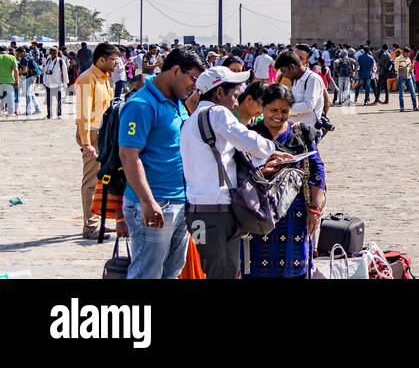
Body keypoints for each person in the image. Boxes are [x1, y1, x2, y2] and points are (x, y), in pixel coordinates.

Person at [181, 66, 289, 279]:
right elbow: (249, 140)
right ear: (219, 93)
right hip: (219, 211)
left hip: (197, 209)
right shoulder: (217, 113)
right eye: (235, 95)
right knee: (224, 273)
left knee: (213, 271)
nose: (237, 102)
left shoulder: (190, 121)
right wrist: (272, 149)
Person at [118, 48, 205, 278]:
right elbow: (128, 156)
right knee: (147, 273)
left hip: (179, 202)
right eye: (192, 79)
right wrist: (147, 201)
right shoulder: (142, 105)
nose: (193, 87)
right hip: (153, 204)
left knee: (172, 272)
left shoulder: (177, 102)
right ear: (175, 70)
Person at [248, 84, 326, 277]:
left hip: (296, 212)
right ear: (262, 107)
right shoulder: (250, 135)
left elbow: (317, 169)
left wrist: (315, 209)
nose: (278, 115)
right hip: (259, 211)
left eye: (284, 111)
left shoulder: (302, 133)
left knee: (296, 267)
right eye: (273, 110)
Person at [73, 43, 120, 239]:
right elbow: (83, 115)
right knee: (91, 180)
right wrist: (86, 144)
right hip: (92, 134)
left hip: (105, 134)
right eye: (112, 60)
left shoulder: (106, 79)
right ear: (101, 59)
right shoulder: (86, 79)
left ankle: (97, 219)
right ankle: (90, 225)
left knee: (104, 179)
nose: (116, 64)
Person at [276, 50, 325, 126]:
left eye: (284, 71)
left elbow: (309, 105)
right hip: (295, 127)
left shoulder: (312, 79)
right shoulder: (296, 80)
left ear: (292, 67)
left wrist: (284, 108)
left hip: (308, 129)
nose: (284, 75)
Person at [41, 46, 70, 119]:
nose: (54, 54)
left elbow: (65, 72)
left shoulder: (60, 61)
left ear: (58, 53)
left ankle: (59, 114)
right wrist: (44, 81)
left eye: (56, 53)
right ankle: (49, 114)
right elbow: (45, 71)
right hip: (48, 83)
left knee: (59, 100)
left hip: (57, 84)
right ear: (50, 53)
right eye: (53, 53)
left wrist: (66, 82)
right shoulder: (48, 60)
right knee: (49, 100)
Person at [394, 47, 418, 113]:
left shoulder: (409, 59)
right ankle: (402, 107)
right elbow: (396, 69)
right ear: (404, 52)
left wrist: (411, 68)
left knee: (413, 92)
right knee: (401, 93)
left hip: (408, 77)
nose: (408, 55)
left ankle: (415, 106)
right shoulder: (398, 59)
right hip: (401, 77)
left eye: (409, 53)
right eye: (407, 53)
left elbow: (411, 69)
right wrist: (401, 67)